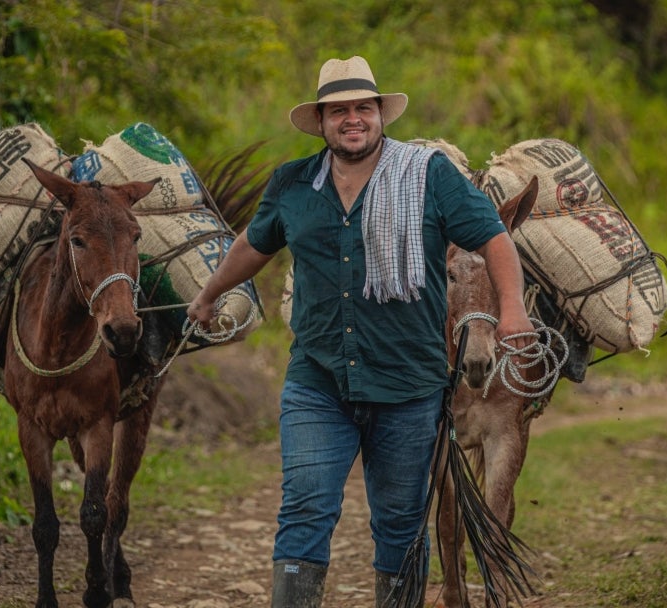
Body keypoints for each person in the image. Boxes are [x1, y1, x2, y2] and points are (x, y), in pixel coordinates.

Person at [186, 56, 535, 608]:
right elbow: (255, 245)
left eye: (363, 108)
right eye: (339, 110)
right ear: (320, 121)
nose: (353, 119)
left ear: (380, 115)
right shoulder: (293, 184)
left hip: (408, 389)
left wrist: (512, 310)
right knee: (304, 509)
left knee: (399, 526)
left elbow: (494, 238)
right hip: (318, 383)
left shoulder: (429, 176)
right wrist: (207, 296)